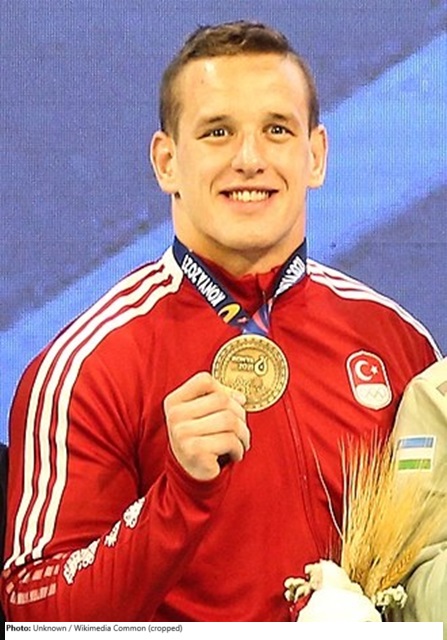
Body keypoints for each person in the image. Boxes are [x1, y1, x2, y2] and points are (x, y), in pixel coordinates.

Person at [0, 21, 442, 622]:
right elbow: (35, 612)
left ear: (315, 155)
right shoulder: (87, 367)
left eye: (277, 130)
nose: (249, 159)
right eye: (217, 132)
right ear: (167, 162)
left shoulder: (400, 345)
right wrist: (178, 495)